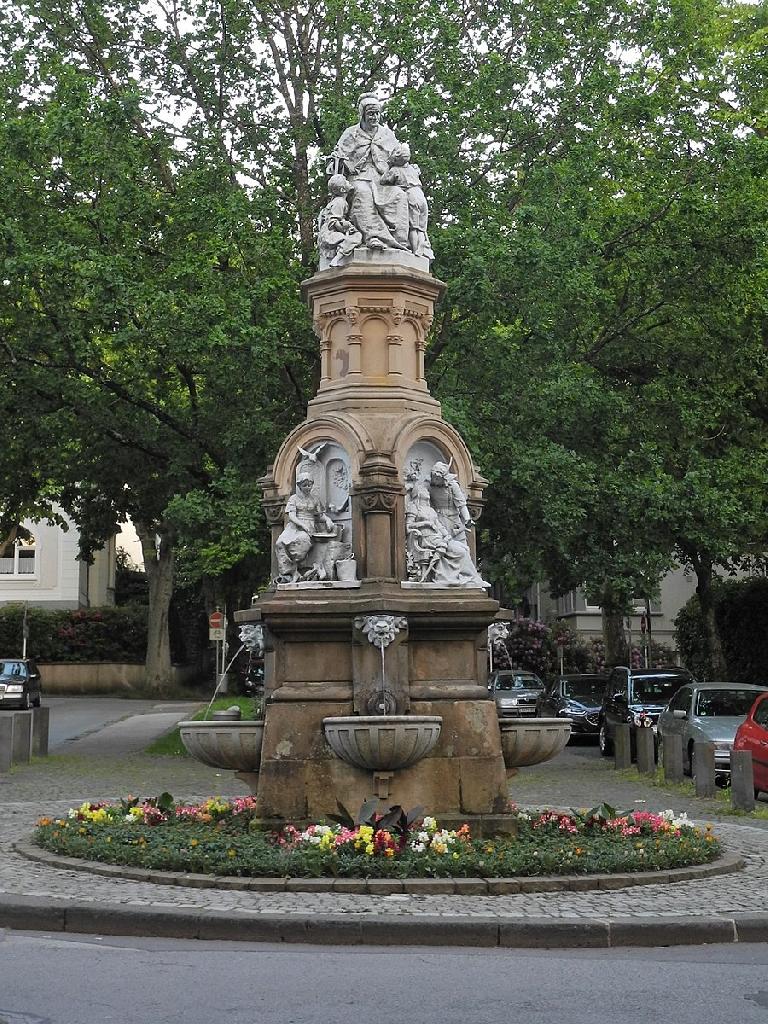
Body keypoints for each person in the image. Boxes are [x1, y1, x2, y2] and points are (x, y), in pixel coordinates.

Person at [329, 94, 410, 251]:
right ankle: (373, 237)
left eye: (377, 113)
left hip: (383, 179)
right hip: (358, 177)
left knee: (399, 195)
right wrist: (338, 161)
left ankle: (400, 242)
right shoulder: (350, 133)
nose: (374, 117)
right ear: (363, 114)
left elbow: (399, 158)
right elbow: (338, 157)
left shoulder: (387, 134)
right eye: (370, 113)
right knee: (362, 193)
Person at [275, 468, 336, 582]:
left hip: (308, 527)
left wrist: (327, 520)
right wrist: (302, 525)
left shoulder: (315, 499)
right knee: (280, 543)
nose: (307, 488)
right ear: (299, 485)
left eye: (309, 485)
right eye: (305, 485)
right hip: (294, 526)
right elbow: (291, 516)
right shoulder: (294, 498)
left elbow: (319, 515)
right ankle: (290, 573)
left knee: (302, 541)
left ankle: (298, 569)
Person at [380, 144, 434, 259]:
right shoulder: (413, 169)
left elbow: (383, 181)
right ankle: (422, 248)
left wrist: (388, 166)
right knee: (421, 228)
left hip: (411, 197)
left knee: (413, 227)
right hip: (421, 196)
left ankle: (415, 251)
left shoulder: (395, 170)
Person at [317, 175, 363, 267]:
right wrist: (345, 228)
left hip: (328, 232)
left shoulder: (338, 201)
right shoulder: (340, 202)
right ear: (342, 190)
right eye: (346, 181)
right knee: (356, 237)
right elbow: (333, 221)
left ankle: (336, 259)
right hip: (329, 234)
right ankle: (336, 259)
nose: (348, 181)